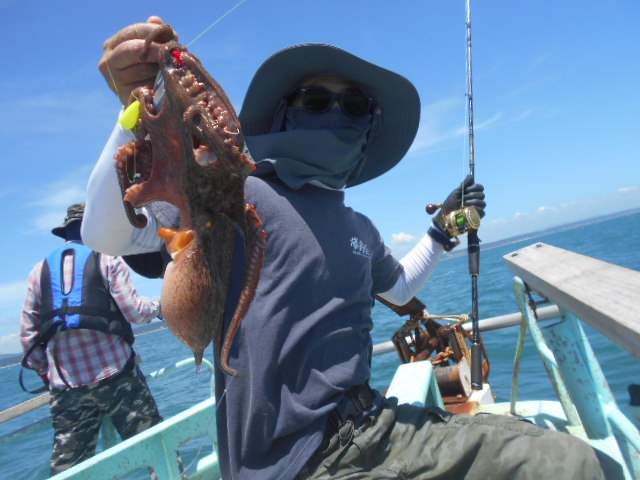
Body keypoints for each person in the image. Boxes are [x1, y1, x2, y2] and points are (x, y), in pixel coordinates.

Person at [82, 17, 622, 480]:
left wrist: (442, 229)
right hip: (306, 461)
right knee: (573, 465)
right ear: (285, 115)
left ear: (367, 132)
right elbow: (109, 234)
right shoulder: (239, 193)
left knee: (551, 445)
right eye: (317, 100)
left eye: (355, 106)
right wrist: (135, 110)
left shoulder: (359, 226)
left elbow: (400, 287)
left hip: (374, 422)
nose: (336, 113)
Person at [20, 202, 164, 475]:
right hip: (117, 377)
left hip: (67, 388)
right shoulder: (107, 259)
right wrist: (159, 307)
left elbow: (28, 339)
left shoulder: (38, 272)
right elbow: (134, 312)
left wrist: (47, 371)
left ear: (65, 232)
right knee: (155, 449)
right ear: (93, 229)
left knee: (70, 470)